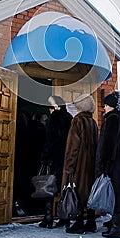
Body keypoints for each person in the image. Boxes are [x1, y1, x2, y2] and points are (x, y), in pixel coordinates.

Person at [96, 91, 120, 238]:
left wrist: (105, 163)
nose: (104, 108)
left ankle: (117, 227)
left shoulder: (112, 119)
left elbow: (109, 144)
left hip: (114, 163)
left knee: (116, 194)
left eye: (106, 105)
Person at [62, 94, 98, 234]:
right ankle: (91, 220)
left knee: (78, 192)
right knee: (88, 191)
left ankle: (78, 223)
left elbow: (73, 146)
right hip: (90, 163)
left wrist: (69, 166)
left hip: (79, 164)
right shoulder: (92, 122)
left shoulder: (77, 121)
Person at [39, 95, 72, 229]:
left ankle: (48, 217)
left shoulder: (54, 119)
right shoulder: (69, 117)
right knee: (64, 187)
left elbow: (50, 140)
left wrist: (45, 157)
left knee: (49, 187)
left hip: (54, 158)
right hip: (67, 158)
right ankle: (64, 216)